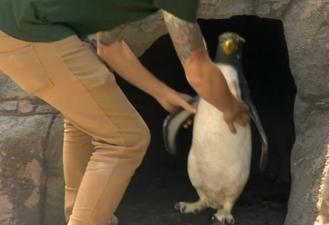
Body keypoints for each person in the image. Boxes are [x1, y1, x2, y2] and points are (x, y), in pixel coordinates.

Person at [0, 0, 250, 225]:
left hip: (18, 21)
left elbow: (110, 48)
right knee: (126, 138)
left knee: (85, 118)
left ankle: (81, 215)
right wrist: (231, 107)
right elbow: (199, 72)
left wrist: (162, 93)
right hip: (27, 29)